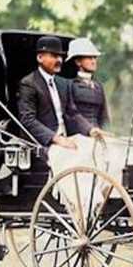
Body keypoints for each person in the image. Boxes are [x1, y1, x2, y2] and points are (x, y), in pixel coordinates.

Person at [17, 36, 108, 226]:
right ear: (40, 57)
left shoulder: (63, 84)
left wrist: (91, 131)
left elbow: (72, 114)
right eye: (53, 56)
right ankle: (81, 208)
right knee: (73, 157)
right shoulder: (29, 83)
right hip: (43, 144)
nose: (58, 60)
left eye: (60, 56)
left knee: (95, 149)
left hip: (67, 139)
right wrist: (56, 139)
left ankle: (95, 202)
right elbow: (28, 120)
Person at [66, 37, 110, 129]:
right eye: (90, 58)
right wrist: (89, 130)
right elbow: (71, 113)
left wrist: (105, 131)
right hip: (78, 135)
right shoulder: (70, 85)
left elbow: (104, 115)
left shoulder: (98, 86)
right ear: (78, 62)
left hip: (98, 134)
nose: (94, 61)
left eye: (95, 58)